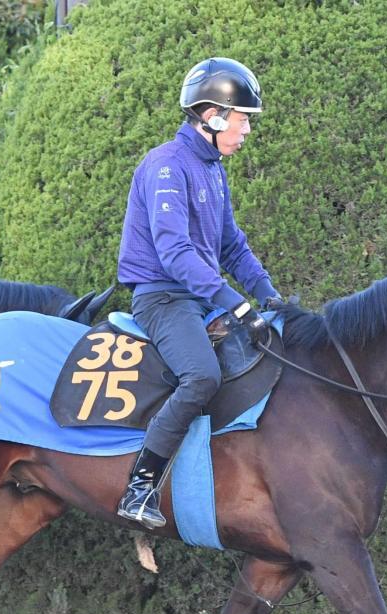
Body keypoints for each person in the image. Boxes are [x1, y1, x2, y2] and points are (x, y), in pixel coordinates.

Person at [116, 57, 283, 529]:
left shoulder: (213, 169)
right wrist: (236, 303)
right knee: (202, 376)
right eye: (244, 118)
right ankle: (139, 488)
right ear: (212, 116)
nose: (248, 129)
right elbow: (175, 253)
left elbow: (231, 246)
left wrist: (269, 297)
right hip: (163, 298)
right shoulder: (166, 166)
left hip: (201, 298)